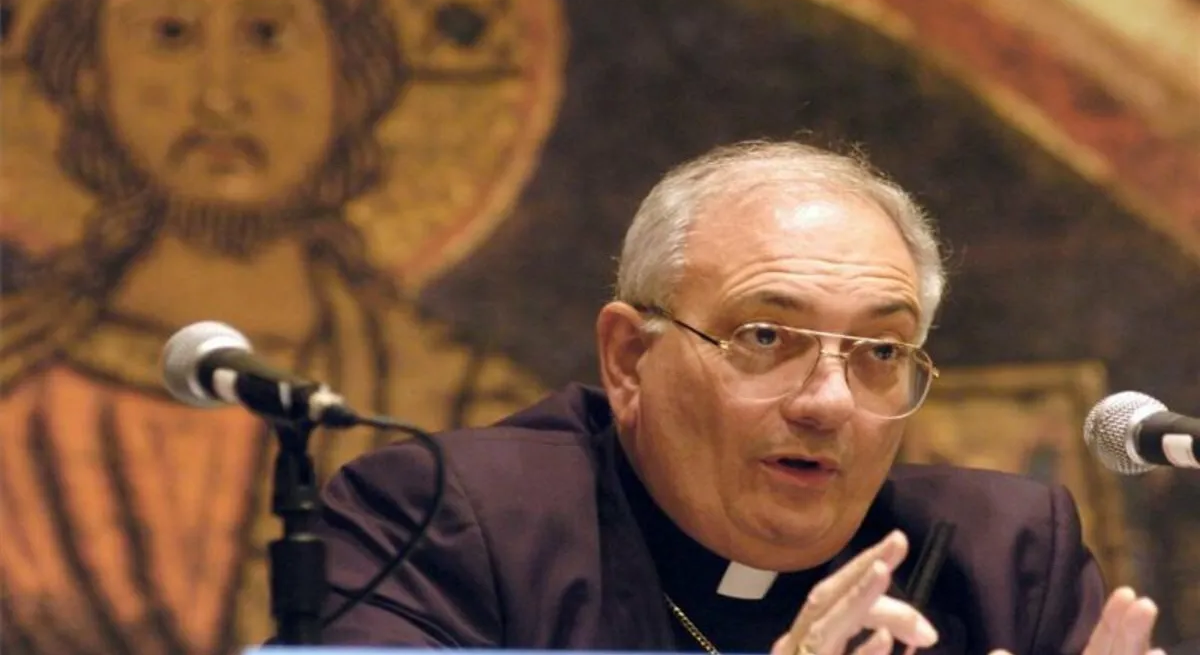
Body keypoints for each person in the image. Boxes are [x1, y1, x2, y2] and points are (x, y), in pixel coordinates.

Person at [313, 140, 1163, 653]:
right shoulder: (441, 525)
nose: (828, 402)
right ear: (628, 358)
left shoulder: (1005, 556)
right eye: (765, 336)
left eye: (880, 350)